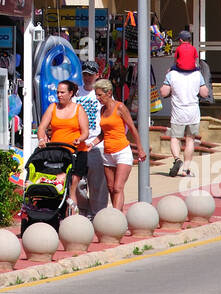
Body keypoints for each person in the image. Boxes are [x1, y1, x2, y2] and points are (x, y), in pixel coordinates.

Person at [35, 79, 90, 214]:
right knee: (57, 184)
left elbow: (85, 132)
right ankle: (55, 213)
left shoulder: (78, 109)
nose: (59, 95)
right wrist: (42, 139)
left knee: (71, 186)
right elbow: (42, 127)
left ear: (71, 93)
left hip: (76, 152)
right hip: (57, 153)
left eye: (62, 92)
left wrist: (80, 139)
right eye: (57, 92)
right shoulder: (53, 107)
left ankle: (71, 218)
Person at [93, 78, 145, 210]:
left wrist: (140, 149)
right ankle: (119, 216)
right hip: (108, 152)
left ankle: (115, 218)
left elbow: (132, 128)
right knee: (111, 188)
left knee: (118, 187)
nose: (98, 98)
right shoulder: (102, 110)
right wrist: (90, 144)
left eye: (100, 95)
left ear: (109, 93)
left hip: (122, 151)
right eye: (96, 95)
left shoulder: (120, 107)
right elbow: (103, 134)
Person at [160, 45, 208, 177]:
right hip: (193, 112)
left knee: (175, 138)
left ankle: (177, 159)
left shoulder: (171, 74)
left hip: (178, 113)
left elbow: (164, 92)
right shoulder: (198, 75)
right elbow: (204, 93)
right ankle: (186, 169)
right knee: (190, 140)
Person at [74, 59, 109, 217]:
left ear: (97, 75)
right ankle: (84, 211)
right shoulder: (75, 93)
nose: (87, 77)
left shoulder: (101, 94)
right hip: (79, 144)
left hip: (97, 144)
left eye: (91, 74)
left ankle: (98, 215)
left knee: (98, 184)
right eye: (85, 74)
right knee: (77, 183)